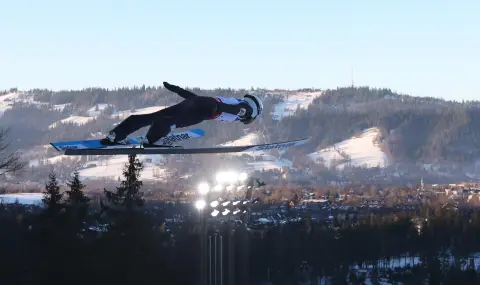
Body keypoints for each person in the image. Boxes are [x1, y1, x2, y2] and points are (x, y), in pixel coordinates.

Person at [100, 81, 263, 146]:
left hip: (198, 103)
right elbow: (235, 110)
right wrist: (217, 110)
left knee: (151, 118)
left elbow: (195, 98)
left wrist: (176, 89)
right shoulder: (245, 108)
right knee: (169, 122)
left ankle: (116, 135)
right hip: (206, 109)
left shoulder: (234, 101)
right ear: (254, 110)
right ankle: (151, 140)